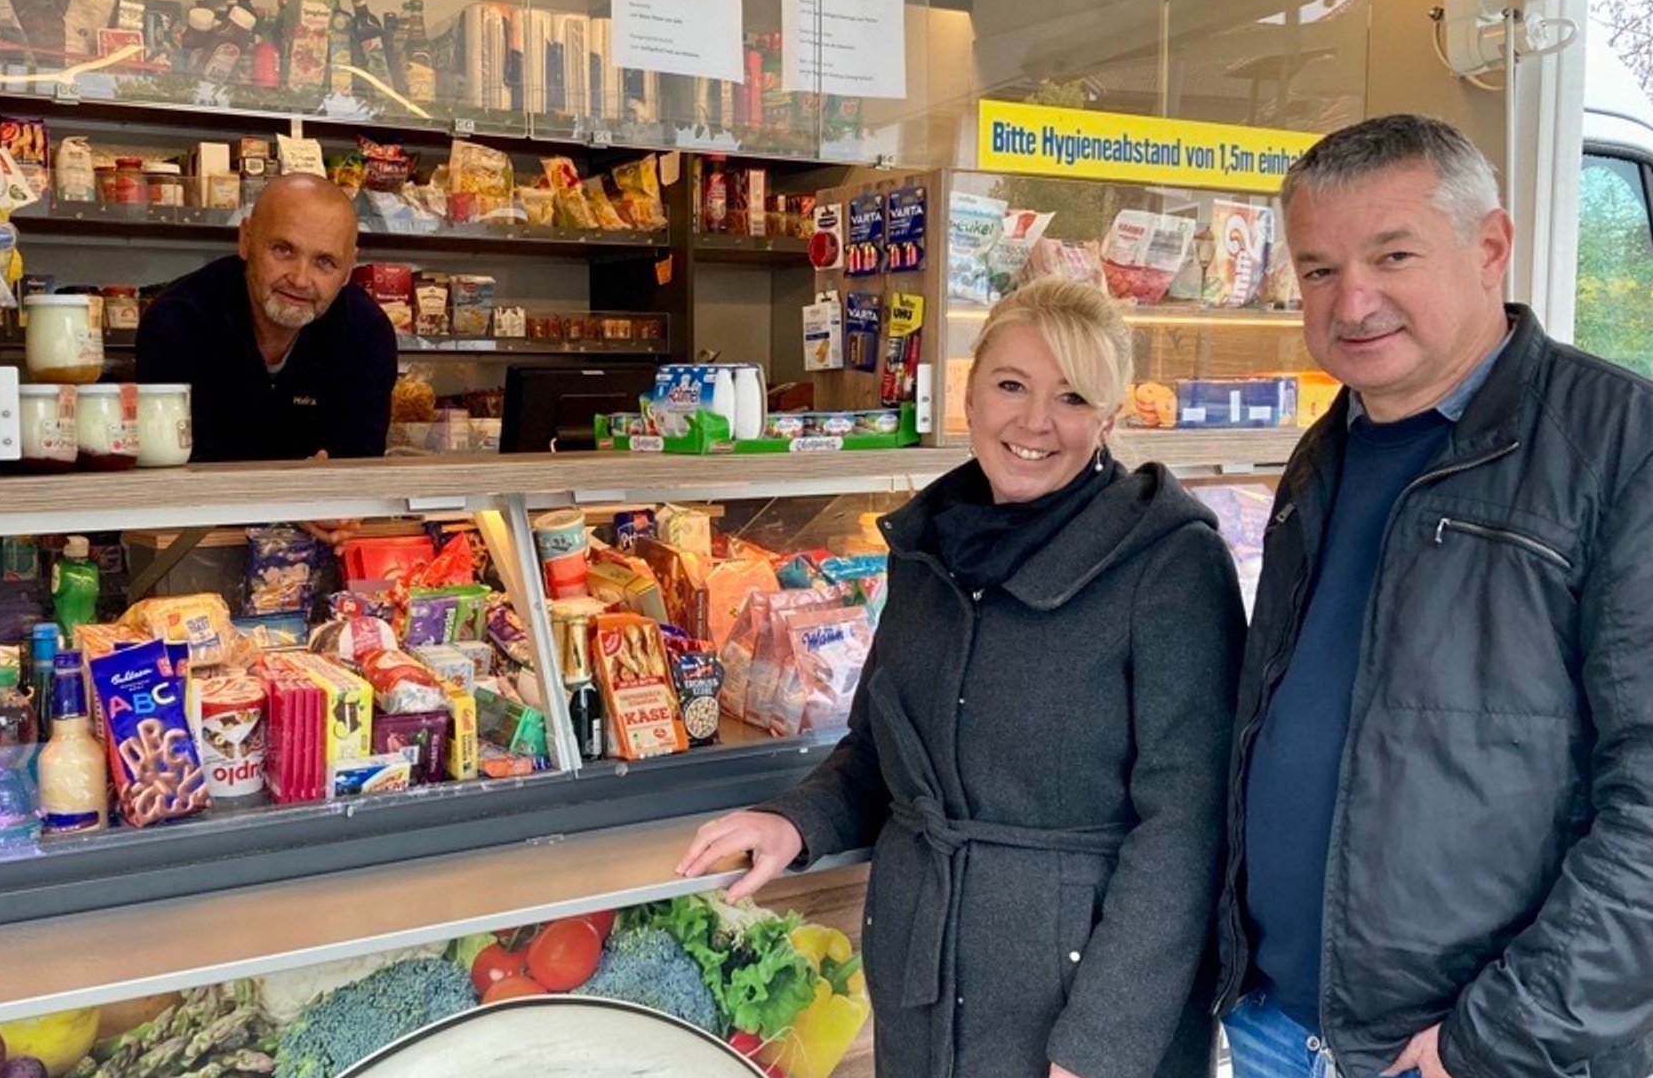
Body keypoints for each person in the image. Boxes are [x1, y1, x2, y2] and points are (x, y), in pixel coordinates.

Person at [680, 278, 1244, 1078]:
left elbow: (1187, 832)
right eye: (1011, 386)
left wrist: (1100, 1049)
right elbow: (880, 749)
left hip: (1079, 1008)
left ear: (1109, 420)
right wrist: (795, 821)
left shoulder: (1171, 564)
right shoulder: (929, 549)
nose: (1035, 422)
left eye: (1073, 397)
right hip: (924, 985)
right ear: (970, 396)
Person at [1215, 113, 1653, 1078]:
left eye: (1393, 254)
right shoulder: (1324, 455)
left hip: (1473, 1049)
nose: (1352, 299)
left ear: (1490, 247)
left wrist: (1496, 1037)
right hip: (1278, 1026)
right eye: (1319, 269)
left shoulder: (1620, 447)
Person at [136, 173, 397, 463]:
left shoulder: (367, 334)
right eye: (283, 250)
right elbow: (169, 468)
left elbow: (359, 470)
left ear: (349, 268)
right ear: (246, 240)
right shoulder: (178, 322)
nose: (300, 279)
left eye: (325, 262)